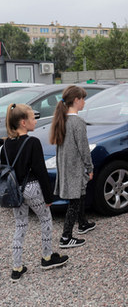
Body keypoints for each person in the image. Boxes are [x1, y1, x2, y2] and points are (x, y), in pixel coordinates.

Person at [1, 103, 68, 283]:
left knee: (20, 225)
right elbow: (40, 171)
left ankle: (17, 268)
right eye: (33, 118)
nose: (35, 122)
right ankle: (47, 258)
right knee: (45, 218)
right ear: (23, 122)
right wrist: (49, 197)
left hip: (15, 190)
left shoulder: (5, 145)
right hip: (32, 188)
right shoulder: (32, 142)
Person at [50, 85, 95, 249]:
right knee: (74, 201)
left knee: (80, 192)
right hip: (74, 167)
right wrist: (89, 168)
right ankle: (66, 237)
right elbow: (84, 148)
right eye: (83, 99)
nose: (84, 102)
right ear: (76, 100)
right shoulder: (77, 122)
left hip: (65, 165)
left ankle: (82, 223)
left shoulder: (62, 120)